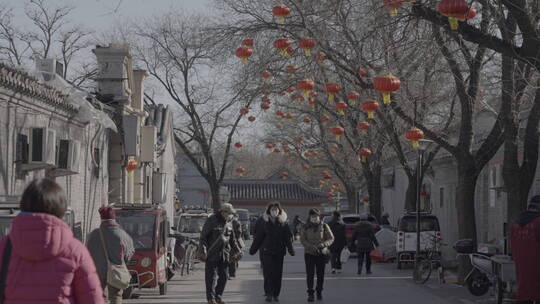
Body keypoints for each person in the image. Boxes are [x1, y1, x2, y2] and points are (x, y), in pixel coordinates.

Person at [0, 178, 104, 303]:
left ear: (23, 205)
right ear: (60, 209)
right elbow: (93, 299)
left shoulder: (4, 247)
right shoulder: (76, 251)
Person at [87, 206, 134, 303]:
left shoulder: (93, 235)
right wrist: (122, 261)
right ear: (114, 218)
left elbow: (87, 253)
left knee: (100, 296)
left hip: (97, 271)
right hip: (116, 271)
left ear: (101, 219)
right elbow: (130, 253)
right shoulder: (122, 235)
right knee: (115, 296)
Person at [249, 202, 295, 302]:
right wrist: (253, 249)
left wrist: (291, 250)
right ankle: (269, 293)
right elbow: (259, 238)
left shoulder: (283, 223)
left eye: (276, 210)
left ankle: (276, 294)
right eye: (272, 209)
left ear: (279, 211)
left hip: (279, 252)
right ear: (269, 211)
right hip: (267, 252)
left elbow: (287, 238)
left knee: (278, 274)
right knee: (268, 273)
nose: (274, 211)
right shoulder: (264, 222)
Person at [199, 203, 241, 304]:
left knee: (224, 276)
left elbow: (232, 239)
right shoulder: (212, 220)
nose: (231, 215)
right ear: (223, 212)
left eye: (231, 213)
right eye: (229, 213)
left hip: (224, 254)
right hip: (212, 253)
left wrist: (238, 250)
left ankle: (218, 296)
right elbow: (203, 237)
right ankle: (211, 298)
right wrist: (203, 250)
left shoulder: (229, 222)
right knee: (211, 278)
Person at [300, 208, 334, 302]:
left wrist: (323, 244)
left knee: (320, 274)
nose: (314, 218)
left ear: (319, 216)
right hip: (309, 253)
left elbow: (331, 238)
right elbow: (302, 240)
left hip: (321, 253)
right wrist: (310, 246)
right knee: (310, 274)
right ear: (309, 217)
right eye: (312, 216)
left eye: (316, 216)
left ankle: (319, 291)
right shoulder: (305, 227)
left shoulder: (324, 226)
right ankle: (310, 293)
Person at [511, 195, 540, 304]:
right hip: (537, 267)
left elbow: (512, 244)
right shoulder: (538, 222)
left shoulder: (515, 223)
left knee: (524, 294)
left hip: (521, 267)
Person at [229, 213, 245, 279]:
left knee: (232, 258)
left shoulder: (229, 221)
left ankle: (232, 274)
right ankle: (232, 273)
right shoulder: (237, 222)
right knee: (234, 257)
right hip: (235, 241)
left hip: (231, 241)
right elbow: (239, 233)